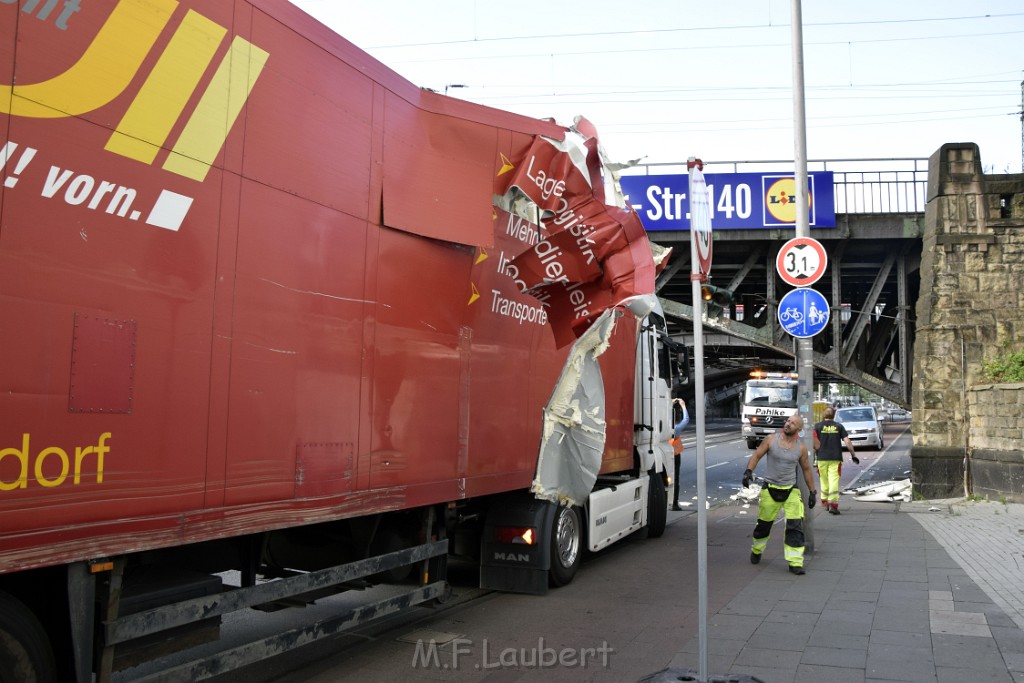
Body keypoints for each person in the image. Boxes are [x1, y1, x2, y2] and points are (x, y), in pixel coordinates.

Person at [741, 414, 817, 575]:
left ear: (799, 429)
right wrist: (748, 472)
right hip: (770, 489)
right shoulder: (770, 440)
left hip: (791, 490)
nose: (788, 424)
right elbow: (757, 455)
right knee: (764, 525)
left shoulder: (801, 448)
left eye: (793, 423)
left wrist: (812, 492)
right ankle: (756, 550)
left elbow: (806, 470)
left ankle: (795, 562)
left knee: (795, 526)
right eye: (788, 421)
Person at [813, 407, 859, 515]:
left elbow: (813, 443)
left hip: (822, 458)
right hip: (835, 458)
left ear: (824, 415)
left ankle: (824, 502)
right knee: (833, 480)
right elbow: (847, 441)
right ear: (834, 415)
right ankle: (833, 504)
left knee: (823, 480)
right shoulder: (839, 426)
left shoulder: (817, 427)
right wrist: (853, 455)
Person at [669, 398, 689, 511]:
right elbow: (686, 420)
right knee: (676, 479)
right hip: (675, 454)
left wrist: (669, 405)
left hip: (664, 454)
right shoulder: (676, 429)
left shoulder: (661, 427)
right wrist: (683, 405)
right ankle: (674, 503)